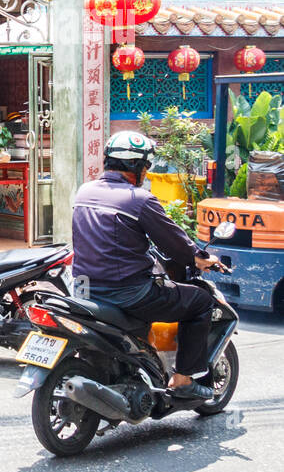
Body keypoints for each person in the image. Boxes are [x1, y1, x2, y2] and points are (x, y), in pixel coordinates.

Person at [70, 132, 221, 399]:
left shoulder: (84, 191)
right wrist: (200, 257)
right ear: (138, 168)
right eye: (146, 167)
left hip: (82, 290)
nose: (147, 173)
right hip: (127, 293)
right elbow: (174, 241)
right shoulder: (138, 199)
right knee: (200, 301)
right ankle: (183, 380)